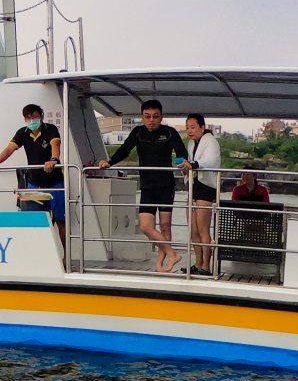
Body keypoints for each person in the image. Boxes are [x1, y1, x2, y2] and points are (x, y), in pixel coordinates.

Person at [94, 99, 187, 272]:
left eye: (155, 117)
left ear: (161, 117)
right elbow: (124, 150)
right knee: (145, 226)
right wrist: (109, 162)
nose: (151, 120)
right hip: (147, 186)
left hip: (166, 185)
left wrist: (183, 163)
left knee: (165, 226)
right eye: (148, 117)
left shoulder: (169, 132)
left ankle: (162, 262)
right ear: (142, 117)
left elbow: (181, 153)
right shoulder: (138, 133)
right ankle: (172, 253)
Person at [0, 103, 65, 246]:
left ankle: (67, 257)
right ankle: (37, 256)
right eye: (28, 118)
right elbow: (10, 149)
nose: (32, 120)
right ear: (25, 120)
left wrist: (53, 160)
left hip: (54, 182)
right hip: (34, 182)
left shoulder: (51, 129)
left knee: (61, 221)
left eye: (34, 117)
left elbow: (55, 145)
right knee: (34, 222)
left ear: (41, 116)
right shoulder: (23, 132)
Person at [181, 114, 220, 276]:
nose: (189, 131)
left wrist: (194, 165)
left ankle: (206, 266)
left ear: (202, 127)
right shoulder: (192, 143)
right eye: (187, 127)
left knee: (203, 229)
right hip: (194, 185)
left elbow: (211, 161)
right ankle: (198, 263)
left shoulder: (211, 141)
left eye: (193, 127)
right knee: (193, 229)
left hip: (205, 187)